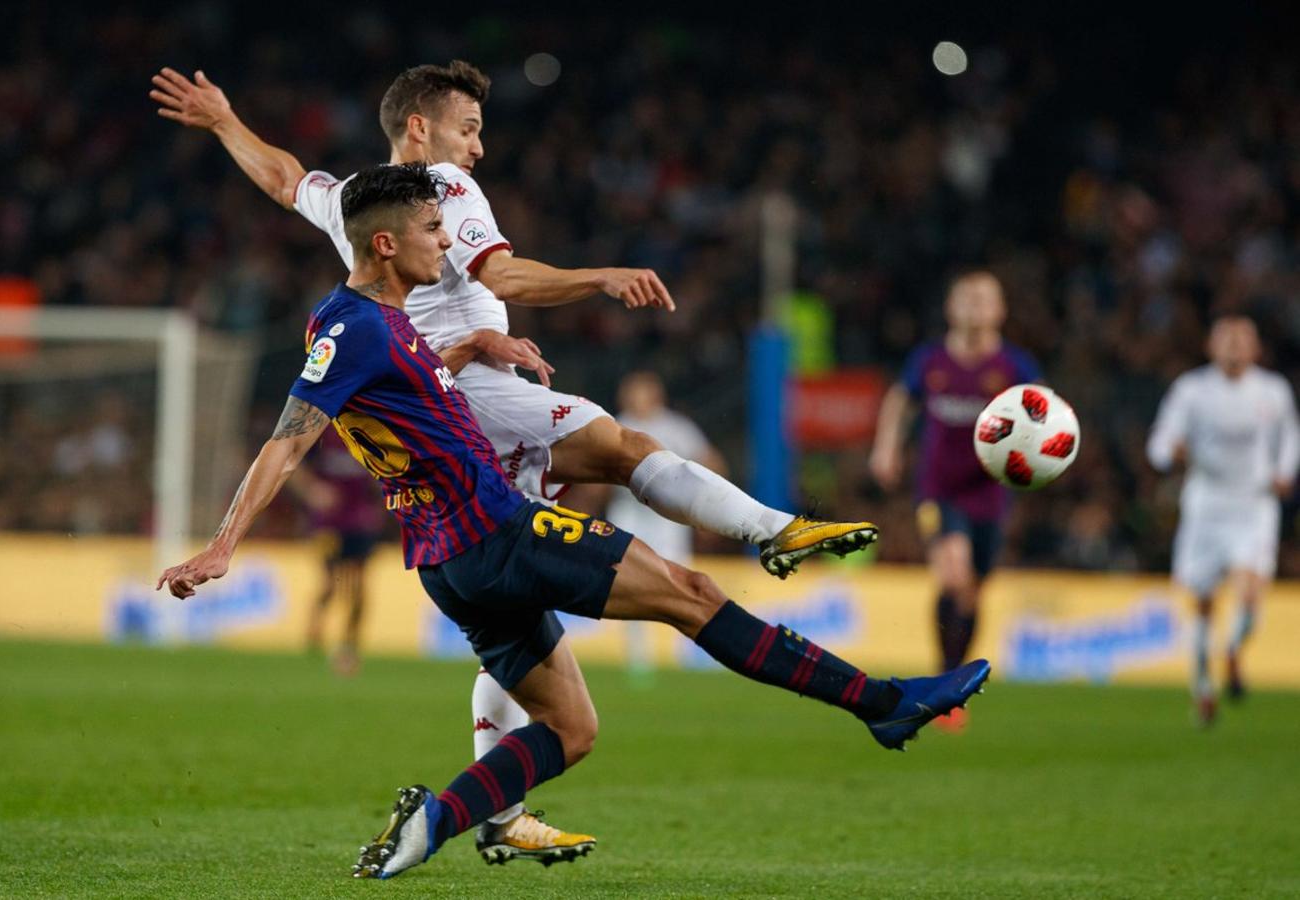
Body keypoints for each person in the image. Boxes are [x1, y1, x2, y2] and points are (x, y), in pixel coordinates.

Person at [156, 165, 991, 880]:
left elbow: (399, 398)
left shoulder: (384, 326)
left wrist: (473, 351)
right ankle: (882, 702)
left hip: (451, 564)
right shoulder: (356, 326)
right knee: (692, 593)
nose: (444, 245)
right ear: (385, 243)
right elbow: (288, 439)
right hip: (498, 533)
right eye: (432, 231)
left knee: (572, 729)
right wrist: (224, 543)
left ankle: (433, 824)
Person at [870, 271, 1039, 730]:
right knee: (953, 575)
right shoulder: (931, 361)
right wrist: (886, 446)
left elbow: (1044, 417)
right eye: (966, 298)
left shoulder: (1014, 366)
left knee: (972, 590)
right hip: (939, 490)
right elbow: (900, 400)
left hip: (989, 492)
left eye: (984, 299)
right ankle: (946, 685)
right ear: (951, 308)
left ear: (1000, 310)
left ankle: (956, 683)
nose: (974, 306)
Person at [1146, 316, 1299, 727]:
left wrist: (1286, 471)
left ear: (1255, 348)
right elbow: (1159, 443)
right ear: (1211, 347)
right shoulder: (1192, 391)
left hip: (1254, 504)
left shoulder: (1273, 390)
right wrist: (1171, 454)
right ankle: (1202, 688)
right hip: (1206, 507)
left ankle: (1232, 648)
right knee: (1203, 603)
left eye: (1241, 340)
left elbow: (1290, 437)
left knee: (1250, 593)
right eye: (1226, 339)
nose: (1233, 347)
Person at [605, 371, 724, 677]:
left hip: (667, 518)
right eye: (632, 391)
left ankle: (689, 653)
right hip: (628, 513)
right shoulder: (615, 423)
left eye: (642, 391)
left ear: (656, 394)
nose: (636, 397)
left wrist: (707, 506)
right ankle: (638, 659)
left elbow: (711, 461)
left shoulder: (675, 427)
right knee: (627, 583)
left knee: (679, 580)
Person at [292, 427, 387, 676]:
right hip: (328, 522)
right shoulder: (322, 430)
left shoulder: (369, 428)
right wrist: (312, 489)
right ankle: (314, 635)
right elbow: (293, 460)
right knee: (330, 583)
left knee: (357, 586)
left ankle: (349, 644)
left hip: (360, 520)